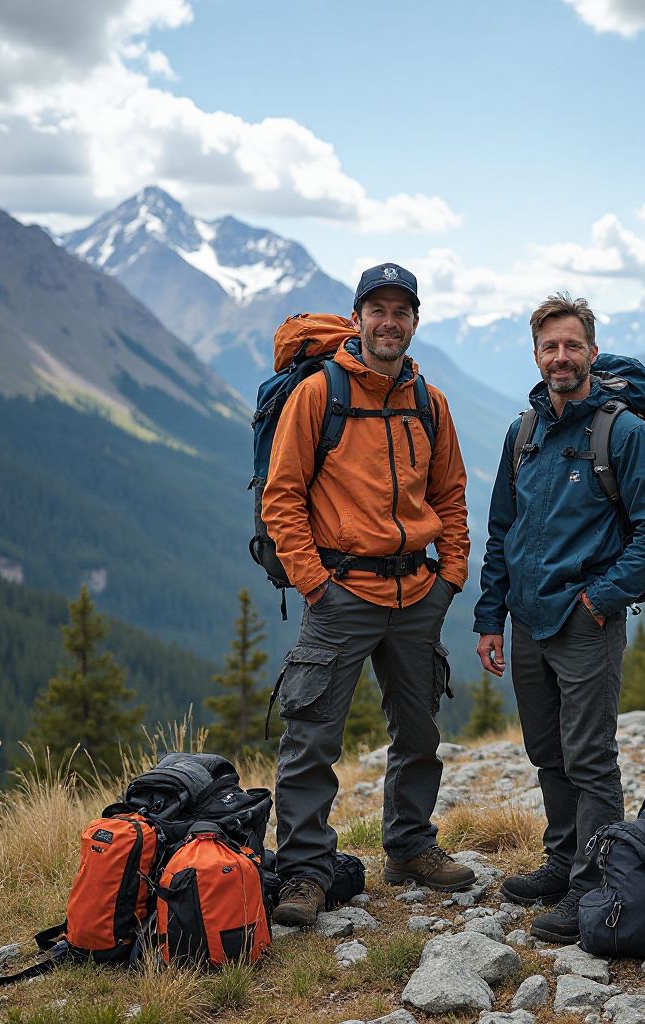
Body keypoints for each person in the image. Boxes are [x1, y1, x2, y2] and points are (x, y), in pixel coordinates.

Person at [263, 263, 475, 926]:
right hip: (340, 595)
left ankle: (410, 848)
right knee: (312, 738)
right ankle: (304, 872)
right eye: (376, 310)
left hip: (416, 593)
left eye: (400, 311)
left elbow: (450, 495)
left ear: (414, 321)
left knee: (418, 732)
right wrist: (314, 583)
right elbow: (281, 496)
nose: (389, 322)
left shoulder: (429, 402)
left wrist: (451, 576)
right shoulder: (318, 394)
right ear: (357, 319)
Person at [474, 292, 645, 943]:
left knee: (589, 758)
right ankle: (563, 862)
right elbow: (502, 531)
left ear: (591, 350)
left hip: (585, 621)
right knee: (547, 752)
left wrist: (600, 600)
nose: (560, 357)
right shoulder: (523, 434)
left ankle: (595, 888)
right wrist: (490, 616)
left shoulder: (623, 434)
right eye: (549, 347)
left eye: (572, 345)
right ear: (536, 355)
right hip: (527, 621)